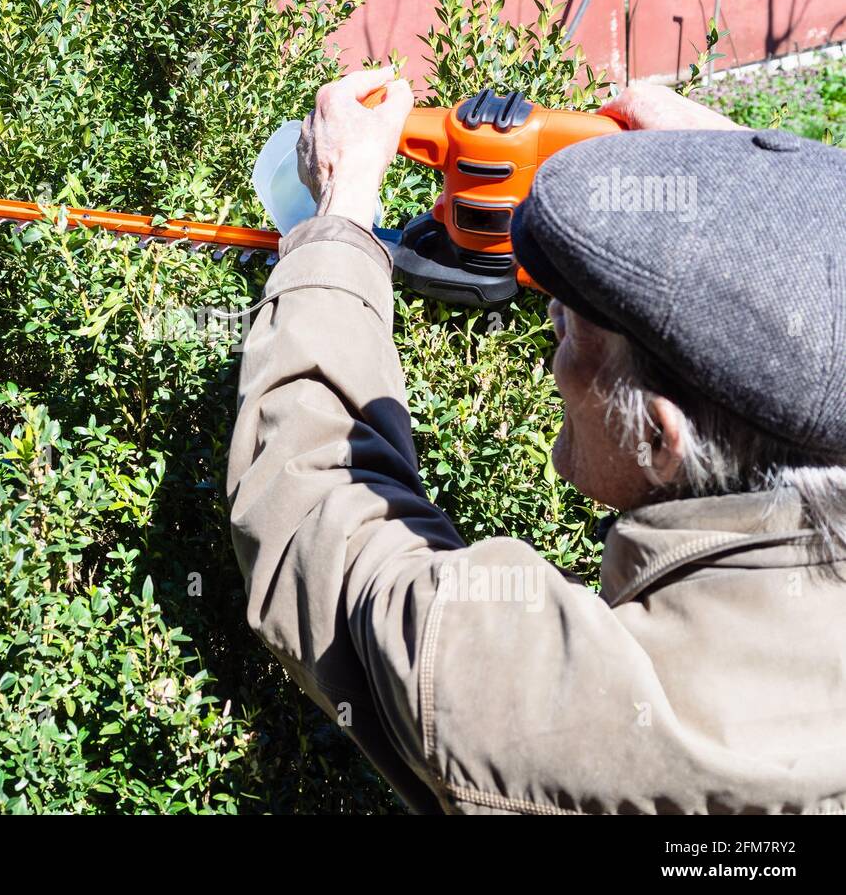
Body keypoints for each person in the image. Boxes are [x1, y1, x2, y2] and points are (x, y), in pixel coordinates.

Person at [226, 69, 846, 814]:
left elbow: (318, 528)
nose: (549, 323)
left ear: (661, 436)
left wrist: (342, 211)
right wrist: (764, 189)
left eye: (574, 327)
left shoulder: (587, 718)